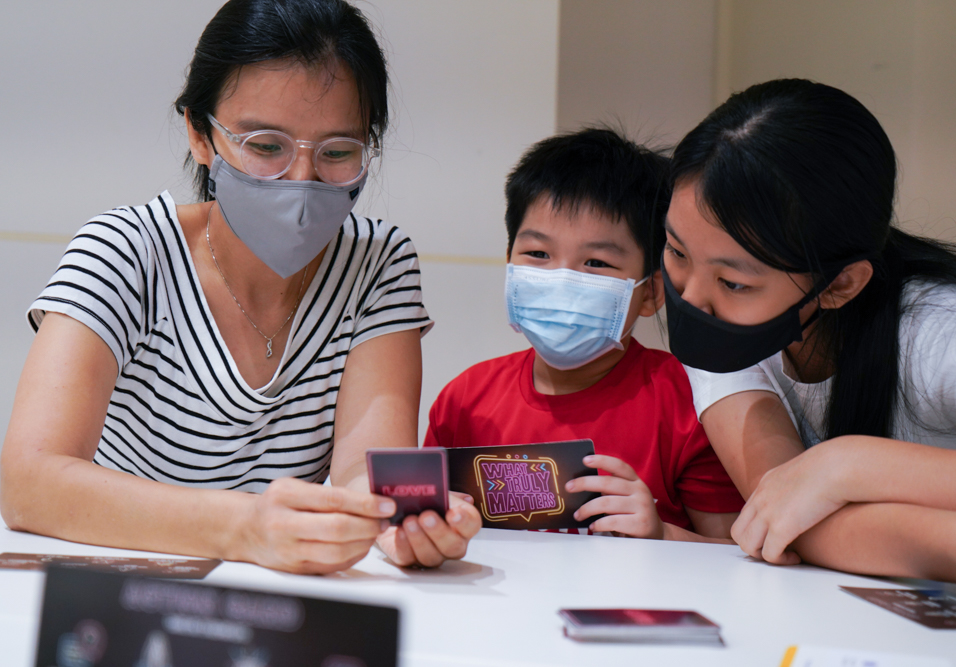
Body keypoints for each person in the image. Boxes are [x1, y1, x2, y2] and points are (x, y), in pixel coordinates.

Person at [0, 0, 481, 574]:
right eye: (266, 146)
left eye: (337, 152)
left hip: (279, 598)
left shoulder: (378, 265)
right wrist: (243, 528)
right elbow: (29, 482)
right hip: (118, 590)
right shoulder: (126, 251)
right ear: (200, 134)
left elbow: (365, 472)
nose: (301, 181)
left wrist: (398, 520)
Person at [660, 78, 956, 590]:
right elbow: (785, 522)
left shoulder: (952, 336)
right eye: (676, 251)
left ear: (840, 284)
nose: (691, 297)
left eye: (734, 282)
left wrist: (854, 465)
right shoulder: (724, 335)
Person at [425, 128, 745, 541]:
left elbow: (735, 553)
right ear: (510, 264)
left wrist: (662, 535)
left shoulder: (690, 405)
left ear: (651, 292)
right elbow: (425, 525)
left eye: (596, 262)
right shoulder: (465, 401)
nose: (561, 279)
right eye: (538, 254)